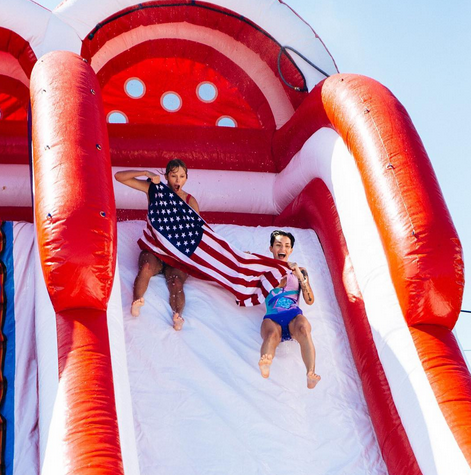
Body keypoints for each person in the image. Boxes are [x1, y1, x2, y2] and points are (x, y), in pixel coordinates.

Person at [114, 159, 200, 331]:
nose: (177, 180)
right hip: (155, 249)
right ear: (166, 176)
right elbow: (119, 177)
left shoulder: (190, 201)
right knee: (146, 267)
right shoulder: (155, 190)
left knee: (175, 282)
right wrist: (146, 173)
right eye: (174, 176)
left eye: (182, 176)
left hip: (176, 254)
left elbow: (199, 233)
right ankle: (137, 300)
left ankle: (177, 315)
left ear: (186, 178)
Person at [259, 230, 321, 389]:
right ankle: (266, 363)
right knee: (271, 335)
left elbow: (309, 300)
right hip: (272, 316)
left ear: (291, 250)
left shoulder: (300, 271)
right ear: (271, 248)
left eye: (287, 246)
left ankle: (310, 373)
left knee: (303, 329)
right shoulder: (263, 270)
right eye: (278, 245)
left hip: (294, 315)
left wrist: (300, 277)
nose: (283, 249)